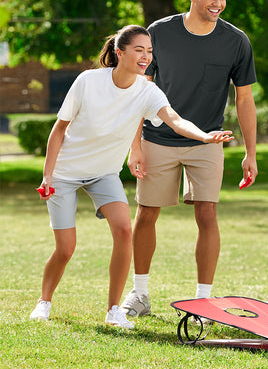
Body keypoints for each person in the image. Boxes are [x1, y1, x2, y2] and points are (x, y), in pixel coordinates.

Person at [29, 24, 233, 328]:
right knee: (66, 247)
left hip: (103, 174)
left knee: (125, 230)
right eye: (139, 50)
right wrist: (48, 176)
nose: (146, 57)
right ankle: (44, 302)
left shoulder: (147, 91)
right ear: (119, 52)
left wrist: (204, 136)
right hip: (66, 173)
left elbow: (174, 120)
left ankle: (114, 309)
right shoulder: (88, 81)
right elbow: (59, 130)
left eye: (149, 51)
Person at [121, 0, 257, 318]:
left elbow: (244, 99)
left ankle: (203, 301)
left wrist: (250, 153)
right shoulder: (159, 33)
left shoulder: (236, 41)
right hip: (157, 138)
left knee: (208, 213)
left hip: (208, 141)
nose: (217, 3)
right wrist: (134, 145)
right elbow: (141, 90)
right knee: (147, 213)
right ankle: (139, 295)